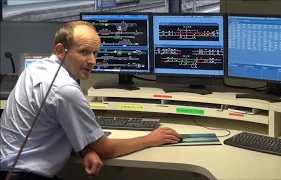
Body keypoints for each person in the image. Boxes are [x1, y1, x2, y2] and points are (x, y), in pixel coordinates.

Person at [0, 21, 181, 180]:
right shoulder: (65, 90)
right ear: (60, 50)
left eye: (95, 53)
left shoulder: (36, 69)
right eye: (84, 52)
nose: (92, 60)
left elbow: (50, 126)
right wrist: (150, 139)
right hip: (25, 175)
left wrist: (85, 149)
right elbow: (106, 150)